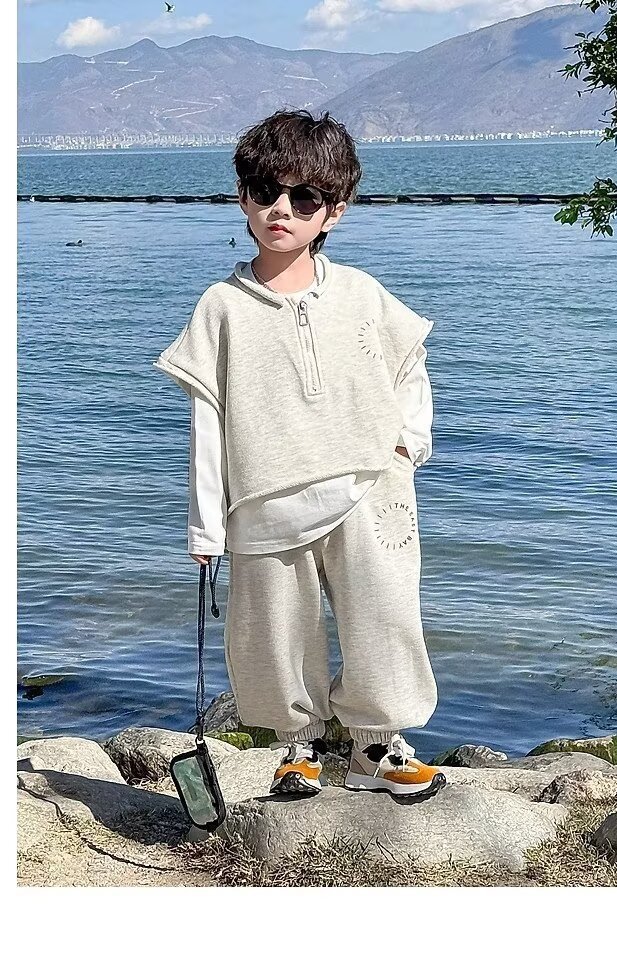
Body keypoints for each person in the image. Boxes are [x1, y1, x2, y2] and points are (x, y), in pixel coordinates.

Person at [153, 109, 446, 800]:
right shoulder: (221, 307)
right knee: (275, 631)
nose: (280, 209)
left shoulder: (362, 293)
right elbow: (207, 419)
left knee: (385, 617)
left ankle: (378, 747)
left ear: (334, 211)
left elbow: (409, 366)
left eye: (304, 197)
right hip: (265, 498)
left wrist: (407, 444)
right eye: (265, 191)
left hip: (369, 487)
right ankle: (298, 747)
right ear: (242, 198)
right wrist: (205, 526)